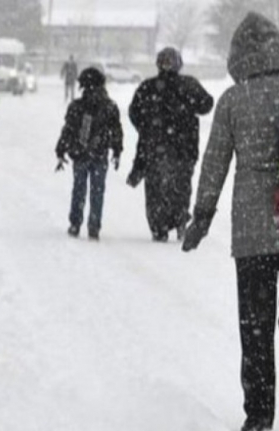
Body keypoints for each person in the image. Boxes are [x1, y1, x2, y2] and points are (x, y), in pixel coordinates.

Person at [182, 12, 279, 431]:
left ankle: (258, 416)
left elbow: (214, 164)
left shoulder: (233, 100)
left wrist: (201, 219)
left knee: (257, 330)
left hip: (255, 231)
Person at [127, 46, 214, 242]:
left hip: (154, 148)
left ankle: (159, 227)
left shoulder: (148, 87)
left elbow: (134, 112)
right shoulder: (188, 85)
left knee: (155, 189)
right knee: (181, 186)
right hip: (184, 148)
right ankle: (180, 218)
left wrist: (147, 127)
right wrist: (187, 107)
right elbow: (207, 104)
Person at [54, 67, 123, 240]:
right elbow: (116, 130)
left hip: (80, 154)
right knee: (97, 191)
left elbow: (68, 130)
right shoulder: (110, 106)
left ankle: (75, 223)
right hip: (100, 155)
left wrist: (61, 149)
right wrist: (117, 150)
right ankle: (94, 225)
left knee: (79, 189)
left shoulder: (77, 106)